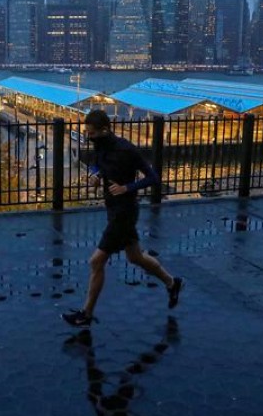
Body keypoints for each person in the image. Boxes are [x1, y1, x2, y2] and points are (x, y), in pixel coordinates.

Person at [62, 109, 182, 327]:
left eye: (91, 133)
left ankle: (86, 314)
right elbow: (99, 165)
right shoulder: (100, 148)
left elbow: (153, 177)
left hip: (125, 212)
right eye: (86, 132)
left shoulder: (127, 149)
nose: (88, 137)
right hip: (113, 209)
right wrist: (96, 175)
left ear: (105, 130)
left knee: (96, 261)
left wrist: (128, 187)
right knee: (135, 257)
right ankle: (171, 283)